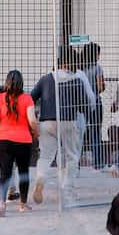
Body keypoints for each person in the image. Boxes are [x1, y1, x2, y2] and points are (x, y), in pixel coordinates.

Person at [31, 48, 91, 205]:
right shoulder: (76, 80)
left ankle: (40, 180)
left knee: (45, 156)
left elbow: (31, 98)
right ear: (70, 64)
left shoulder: (45, 79)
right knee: (71, 157)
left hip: (46, 122)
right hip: (67, 121)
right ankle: (67, 189)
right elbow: (84, 105)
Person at [0, 70, 38, 217]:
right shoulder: (27, 98)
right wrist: (35, 133)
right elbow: (32, 121)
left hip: (3, 141)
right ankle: (23, 204)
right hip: (23, 141)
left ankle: (2, 203)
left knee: (4, 174)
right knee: (23, 172)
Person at [78, 43, 106, 169]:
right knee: (96, 132)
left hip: (81, 104)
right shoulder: (97, 68)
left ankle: (77, 162)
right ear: (95, 54)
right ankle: (98, 163)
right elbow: (100, 87)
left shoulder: (79, 68)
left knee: (80, 132)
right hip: (95, 102)